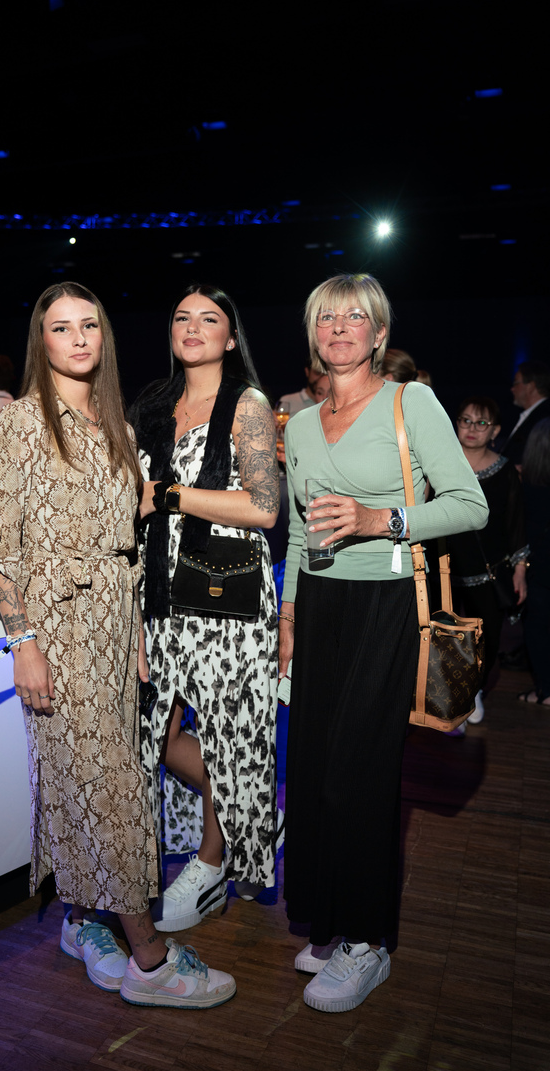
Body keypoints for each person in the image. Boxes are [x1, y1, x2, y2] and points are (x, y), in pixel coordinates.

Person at [0, 281, 235, 1009]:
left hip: (116, 627)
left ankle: (83, 920)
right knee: (110, 789)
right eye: (61, 327)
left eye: (89, 324)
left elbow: (129, 543)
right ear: (41, 340)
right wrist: (24, 641)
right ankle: (150, 960)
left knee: (86, 783)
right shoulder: (24, 421)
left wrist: (137, 635)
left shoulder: (113, 419)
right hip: (58, 628)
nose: (79, 338)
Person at [279, 274, 488, 1013]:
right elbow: (299, 528)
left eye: (354, 317)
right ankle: (329, 920)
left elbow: (470, 505)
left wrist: (380, 521)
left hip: (387, 602)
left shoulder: (410, 403)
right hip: (320, 606)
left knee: (358, 774)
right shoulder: (300, 425)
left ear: (379, 333)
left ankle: (368, 942)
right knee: (312, 770)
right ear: (314, 334)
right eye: (326, 318)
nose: (339, 327)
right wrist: (290, 614)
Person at [130, 283, 280, 929]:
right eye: (182, 317)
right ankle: (251, 813)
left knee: (226, 732)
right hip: (158, 594)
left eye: (209, 318)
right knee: (155, 735)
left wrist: (168, 496)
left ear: (230, 336)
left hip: (227, 597)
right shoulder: (152, 404)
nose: (192, 327)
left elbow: (264, 508)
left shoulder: (247, 404)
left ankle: (212, 862)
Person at [446, 397, 528, 725]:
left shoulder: (505, 469)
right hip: (443, 567)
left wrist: (520, 569)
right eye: (465, 420)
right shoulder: (441, 461)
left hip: (488, 569)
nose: (471, 429)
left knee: (487, 637)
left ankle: (474, 691)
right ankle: (446, 693)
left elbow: (515, 523)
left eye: (481, 423)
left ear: (494, 431)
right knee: (441, 633)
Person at [517, 419, 550, 706]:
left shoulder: (529, 489)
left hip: (540, 567)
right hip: (540, 566)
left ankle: (546, 691)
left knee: (539, 628)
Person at [502, 360, 550, 468]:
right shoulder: (531, 415)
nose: (512, 389)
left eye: (516, 383)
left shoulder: (544, 419)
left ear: (530, 386)